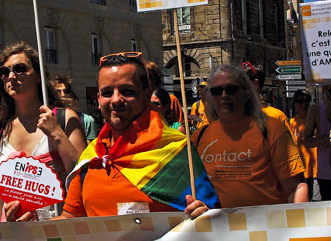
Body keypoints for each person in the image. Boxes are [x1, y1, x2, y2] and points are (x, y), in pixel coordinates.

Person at [59, 52, 217, 218]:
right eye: (107, 93)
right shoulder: (92, 157)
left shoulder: (176, 151)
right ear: (98, 99)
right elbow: (70, 218)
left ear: (147, 95)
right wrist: (30, 229)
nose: (116, 99)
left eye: (127, 91)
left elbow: (212, 217)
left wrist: (205, 213)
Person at [0, 42, 86, 221]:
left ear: (38, 76)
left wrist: (57, 134)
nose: (11, 76)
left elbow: (82, 176)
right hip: (14, 236)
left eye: (20, 69)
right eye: (5, 72)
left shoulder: (64, 119)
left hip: (57, 232)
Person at [191, 64, 308, 208]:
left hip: (267, 227)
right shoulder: (199, 136)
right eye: (216, 91)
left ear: (246, 93)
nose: (224, 95)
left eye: (231, 89)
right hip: (218, 227)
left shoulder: (272, 129)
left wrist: (297, 222)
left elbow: (296, 188)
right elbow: (193, 188)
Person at [288, 89, 317, 198]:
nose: (304, 104)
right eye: (300, 101)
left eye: (307, 101)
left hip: (317, 172)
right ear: (295, 104)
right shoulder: (292, 123)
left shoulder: (317, 120)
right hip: (301, 172)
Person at [54, 74, 99, 141]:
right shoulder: (47, 119)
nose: (63, 95)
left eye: (66, 91)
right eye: (58, 91)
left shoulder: (86, 120)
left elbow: (90, 149)